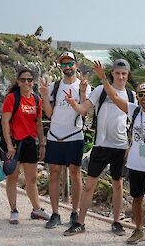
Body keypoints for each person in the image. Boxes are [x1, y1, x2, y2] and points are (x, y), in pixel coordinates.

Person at [94, 60, 145, 246]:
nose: (144, 98)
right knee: (136, 199)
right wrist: (103, 78)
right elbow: (114, 96)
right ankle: (139, 230)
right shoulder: (134, 111)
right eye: (141, 95)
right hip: (135, 165)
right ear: (137, 97)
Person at [63, 58, 136, 236]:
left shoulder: (131, 95)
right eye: (117, 73)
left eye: (123, 74)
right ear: (112, 73)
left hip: (120, 146)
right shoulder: (101, 91)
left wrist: (131, 146)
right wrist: (74, 103)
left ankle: (117, 222)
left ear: (127, 75)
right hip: (101, 145)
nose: (120, 77)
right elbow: (83, 110)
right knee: (89, 186)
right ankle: (80, 222)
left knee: (118, 185)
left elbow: (136, 123)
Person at [39, 51, 91, 228]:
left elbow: (83, 111)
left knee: (75, 174)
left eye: (70, 64)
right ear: (60, 67)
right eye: (64, 64)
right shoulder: (54, 86)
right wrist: (45, 96)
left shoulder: (82, 86)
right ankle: (55, 213)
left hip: (74, 136)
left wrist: (83, 93)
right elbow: (49, 113)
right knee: (54, 174)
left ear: (76, 65)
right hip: (55, 136)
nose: (67, 67)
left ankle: (74, 212)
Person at [1, 68, 50, 224]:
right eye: (23, 80)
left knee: (32, 178)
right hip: (14, 142)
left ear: (33, 82)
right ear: (18, 81)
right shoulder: (11, 98)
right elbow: (5, 122)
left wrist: (42, 144)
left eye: (29, 80)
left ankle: (36, 210)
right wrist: (9, 145)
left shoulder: (36, 99)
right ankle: (13, 210)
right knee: (12, 177)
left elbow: (38, 123)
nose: (26, 82)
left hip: (29, 142)